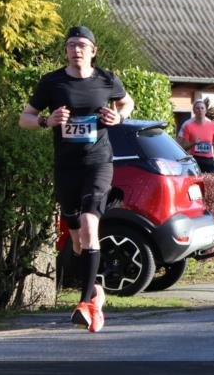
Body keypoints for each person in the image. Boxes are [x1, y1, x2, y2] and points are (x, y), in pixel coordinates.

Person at [19, 25, 134, 333]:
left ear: (93, 51)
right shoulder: (52, 82)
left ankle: (86, 304)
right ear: (66, 50)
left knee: (89, 223)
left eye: (82, 45)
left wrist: (119, 117)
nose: (76, 50)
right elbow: (25, 118)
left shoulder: (107, 80)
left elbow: (126, 102)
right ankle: (96, 292)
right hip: (66, 167)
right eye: (71, 45)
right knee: (77, 240)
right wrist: (46, 120)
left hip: (98, 163)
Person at [178, 99, 214, 173]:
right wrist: (194, 143)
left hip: (209, 160)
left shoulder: (213, 125)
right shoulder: (188, 126)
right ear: (194, 111)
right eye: (197, 108)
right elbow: (183, 147)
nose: (200, 110)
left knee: (210, 183)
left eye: (202, 108)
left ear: (205, 111)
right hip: (195, 159)